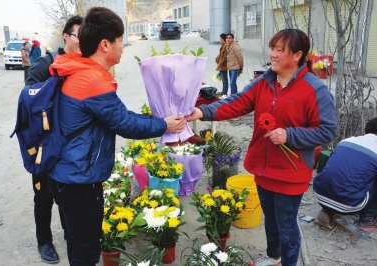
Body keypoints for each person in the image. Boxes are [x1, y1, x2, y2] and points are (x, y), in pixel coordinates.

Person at [46, 7, 186, 265]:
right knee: (87, 252)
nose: (123, 46)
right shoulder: (91, 80)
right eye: (121, 40)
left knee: (79, 245)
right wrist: (163, 125)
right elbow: (125, 124)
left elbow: (117, 114)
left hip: (69, 176)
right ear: (105, 44)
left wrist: (156, 119)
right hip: (78, 181)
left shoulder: (83, 71)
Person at [188, 29, 337, 266]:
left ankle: (289, 263)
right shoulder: (264, 81)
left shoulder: (315, 90)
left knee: (287, 224)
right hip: (263, 168)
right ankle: (274, 257)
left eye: (280, 50)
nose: (273, 55)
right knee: (270, 218)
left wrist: (290, 135)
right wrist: (202, 111)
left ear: (297, 55)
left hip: (291, 173)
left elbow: (327, 131)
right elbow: (235, 103)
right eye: (272, 49)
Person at [25, 15, 84, 264]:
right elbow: (28, 102)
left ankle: (69, 232)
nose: (84, 41)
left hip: (70, 145)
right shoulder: (45, 64)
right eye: (80, 36)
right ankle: (44, 241)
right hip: (44, 145)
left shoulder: (85, 65)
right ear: (67, 37)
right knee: (44, 196)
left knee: (66, 191)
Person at [313, 117, 377, 232]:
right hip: (349, 205)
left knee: (341, 171)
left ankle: (327, 210)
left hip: (320, 194)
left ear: (364, 132)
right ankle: (367, 219)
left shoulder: (346, 141)